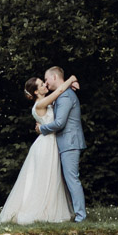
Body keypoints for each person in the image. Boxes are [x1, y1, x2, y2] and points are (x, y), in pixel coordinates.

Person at [0, 73, 77, 224]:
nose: (45, 85)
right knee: (44, 177)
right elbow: (59, 91)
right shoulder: (40, 104)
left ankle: (49, 209)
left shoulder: (44, 103)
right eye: (41, 85)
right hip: (47, 144)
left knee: (50, 177)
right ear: (35, 92)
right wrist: (71, 79)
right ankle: (39, 210)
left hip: (48, 142)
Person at [38, 63, 86, 222]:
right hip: (65, 142)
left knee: (72, 179)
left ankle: (80, 217)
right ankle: (74, 213)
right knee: (68, 180)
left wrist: (42, 128)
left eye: (47, 79)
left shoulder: (65, 96)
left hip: (70, 142)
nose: (46, 83)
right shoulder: (62, 94)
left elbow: (60, 123)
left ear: (54, 77)